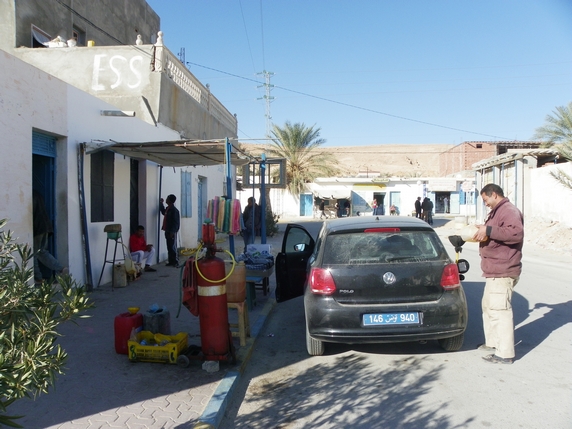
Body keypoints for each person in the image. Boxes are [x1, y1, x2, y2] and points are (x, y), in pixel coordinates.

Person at [473, 183, 523, 365]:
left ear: (493, 194)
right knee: (489, 307)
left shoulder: (508, 210)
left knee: (500, 311)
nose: (485, 203)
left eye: (485, 199)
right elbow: (496, 233)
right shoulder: (497, 212)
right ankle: (493, 343)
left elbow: (515, 233)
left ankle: (504, 353)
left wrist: (488, 230)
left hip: (503, 270)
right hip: (493, 270)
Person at [33, 190, 67, 283]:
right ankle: (61, 269)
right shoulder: (37, 194)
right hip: (45, 226)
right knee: (42, 252)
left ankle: (38, 278)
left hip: (37, 227)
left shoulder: (29, 195)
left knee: (33, 254)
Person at [159, 194, 180, 267]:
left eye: (167, 198)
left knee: (173, 247)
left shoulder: (174, 210)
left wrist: (172, 231)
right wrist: (161, 204)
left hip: (171, 231)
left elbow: (176, 222)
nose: (166, 199)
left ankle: (175, 261)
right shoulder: (168, 209)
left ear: (170, 200)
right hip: (167, 230)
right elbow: (163, 212)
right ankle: (171, 261)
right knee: (169, 246)